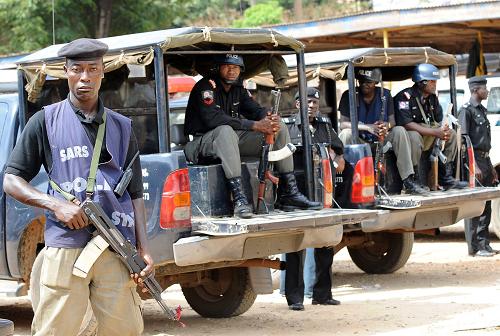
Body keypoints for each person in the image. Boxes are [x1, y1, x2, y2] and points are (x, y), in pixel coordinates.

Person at [3, 38, 148, 336]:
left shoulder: (123, 127)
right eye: (76, 69)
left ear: (102, 72)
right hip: (65, 247)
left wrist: (144, 250)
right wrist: (56, 205)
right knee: (56, 331)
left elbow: (135, 193)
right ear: (65, 72)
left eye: (92, 69)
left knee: (126, 331)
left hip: (114, 246)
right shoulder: (45, 121)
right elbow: (11, 180)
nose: (85, 77)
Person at [184, 54, 322, 218]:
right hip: (201, 143)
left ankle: (289, 193)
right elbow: (214, 119)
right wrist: (254, 125)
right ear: (218, 68)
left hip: (230, 141)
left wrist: (269, 117)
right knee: (225, 130)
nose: (232, 71)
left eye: (236, 67)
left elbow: (255, 109)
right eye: (227, 66)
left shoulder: (238, 88)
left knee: (279, 126)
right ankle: (240, 200)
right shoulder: (206, 87)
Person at [282, 87, 343, 311]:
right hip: (297, 194)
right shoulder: (288, 127)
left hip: (321, 192)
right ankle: (295, 298)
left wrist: (334, 158)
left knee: (326, 243)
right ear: (298, 104)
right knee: (296, 245)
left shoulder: (324, 126)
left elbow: (338, 149)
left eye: (315, 103)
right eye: (307, 102)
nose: (312, 106)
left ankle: (322, 294)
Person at [338, 68, 427, 194]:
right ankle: (347, 179)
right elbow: (343, 123)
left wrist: (386, 126)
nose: (364, 84)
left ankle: (408, 180)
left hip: (381, 140)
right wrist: (368, 127)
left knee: (399, 131)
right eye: (362, 81)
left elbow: (392, 122)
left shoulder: (385, 95)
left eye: (369, 82)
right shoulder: (349, 94)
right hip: (360, 141)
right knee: (345, 133)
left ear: (376, 83)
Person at [393, 63, 467, 190]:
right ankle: (414, 178)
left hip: (429, 135)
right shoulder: (404, 97)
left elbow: (437, 120)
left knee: (452, 134)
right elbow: (407, 124)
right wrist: (435, 132)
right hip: (410, 136)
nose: (435, 84)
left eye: (435, 81)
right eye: (432, 81)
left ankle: (445, 177)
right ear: (422, 82)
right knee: (415, 137)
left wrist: (443, 131)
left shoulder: (432, 98)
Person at [459, 76, 499, 257]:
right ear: (476, 90)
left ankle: (485, 244)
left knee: (487, 205)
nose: (487, 91)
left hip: (485, 160)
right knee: (475, 205)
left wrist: (490, 167)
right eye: (484, 88)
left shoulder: (482, 110)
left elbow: (485, 143)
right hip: (473, 161)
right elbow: (464, 140)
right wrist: (474, 165)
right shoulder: (466, 111)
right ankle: (474, 247)